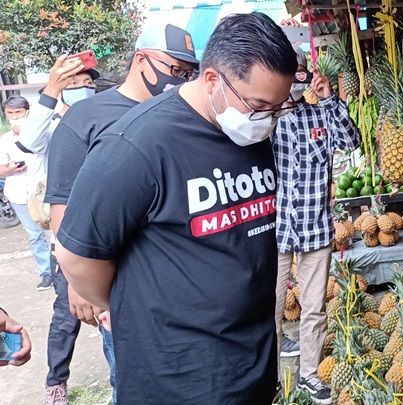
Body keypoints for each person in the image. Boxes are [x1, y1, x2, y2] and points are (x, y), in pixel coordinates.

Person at [55, 12, 297, 403]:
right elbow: (77, 255)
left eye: (277, 109)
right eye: (259, 105)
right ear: (214, 79)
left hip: (251, 365)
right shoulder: (136, 145)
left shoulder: (249, 132)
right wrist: (135, 308)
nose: (267, 120)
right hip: (176, 380)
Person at [43, 24, 199, 405]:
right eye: (172, 69)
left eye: (185, 73)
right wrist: (78, 285)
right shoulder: (85, 118)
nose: (176, 80)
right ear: (141, 59)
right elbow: (64, 208)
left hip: (178, 283)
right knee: (133, 384)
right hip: (121, 289)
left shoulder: (182, 113)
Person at [272, 44, 359, 403]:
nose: (295, 81)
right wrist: (274, 104)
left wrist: (328, 99)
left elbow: (350, 141)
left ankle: (308, 374)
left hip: (314, 228)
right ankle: (271, 378)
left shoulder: (320, 115)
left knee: (314, 307)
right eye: (288, 74)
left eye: (300, 73)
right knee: (270, 308)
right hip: (274, 231)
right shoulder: (264, 114)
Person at [0, 96, 54, 290]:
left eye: (18, 113)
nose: (15, 117)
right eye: (10, 114)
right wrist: (11, 170)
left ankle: (62, 270)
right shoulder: (5, 140)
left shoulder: (44, 133)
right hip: (19, 194)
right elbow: (1, 169)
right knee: (34, 235)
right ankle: (46, 272)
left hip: (45, 191)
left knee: (57, 233)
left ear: (27, 112)